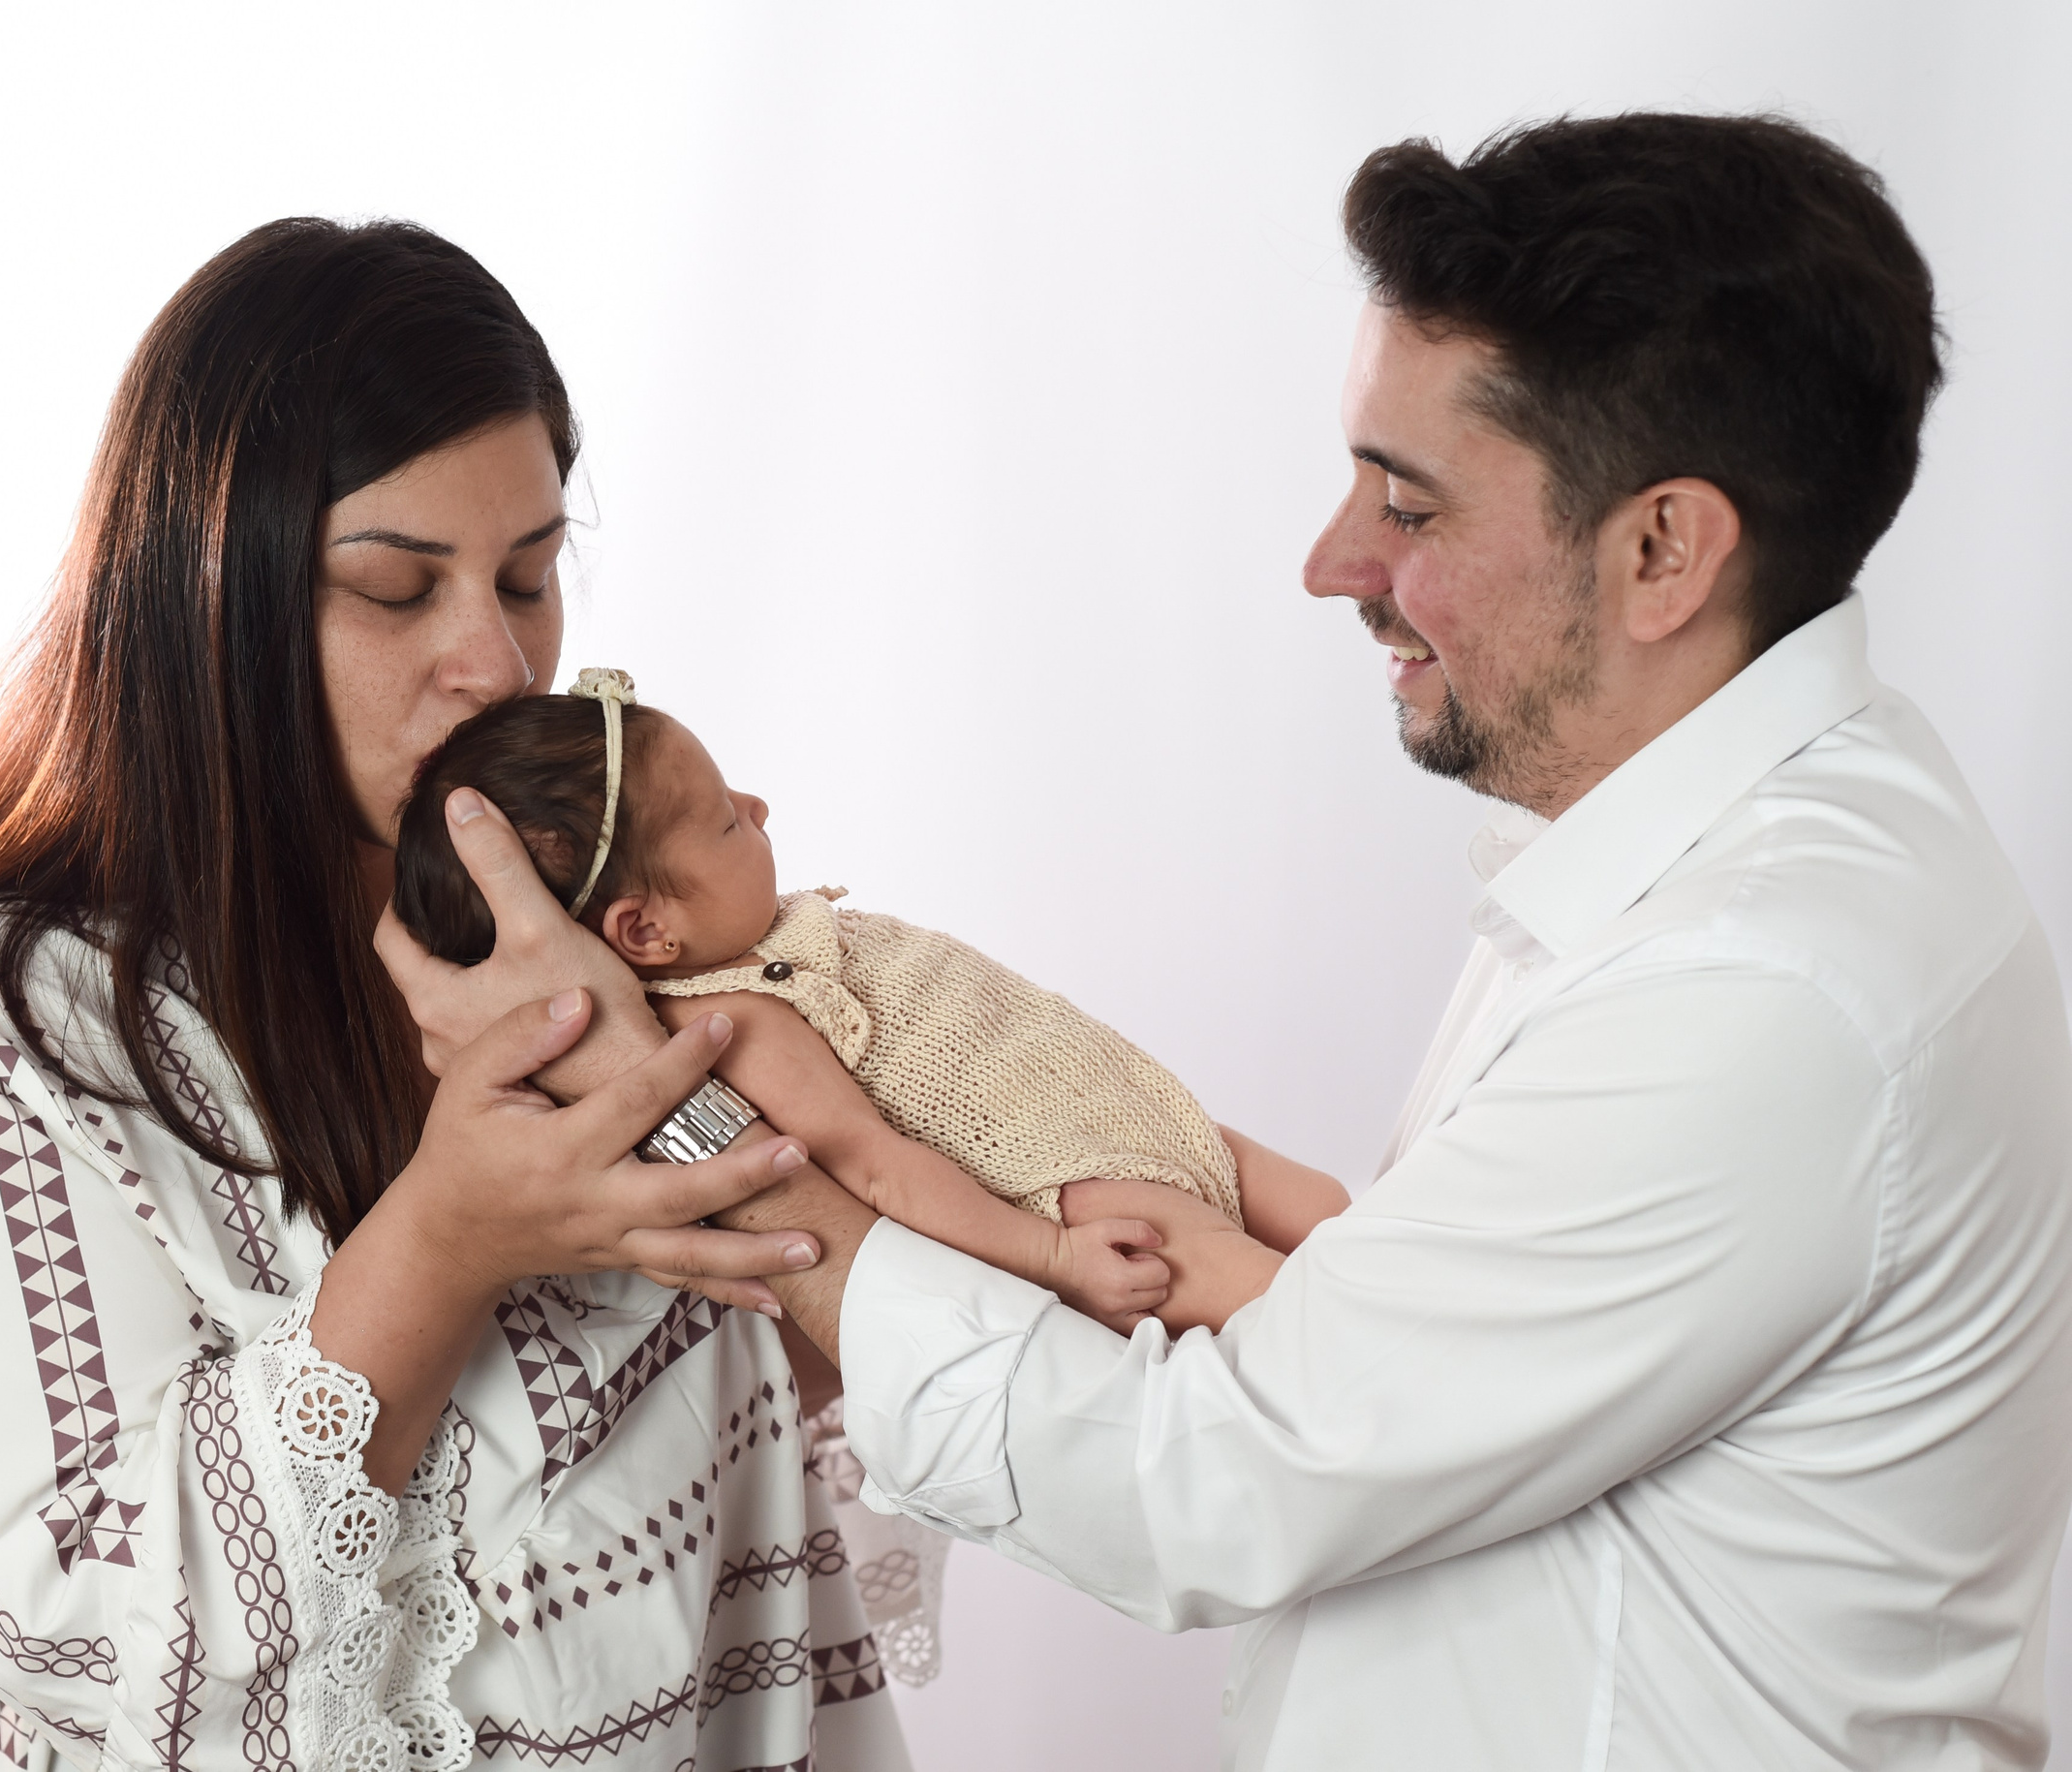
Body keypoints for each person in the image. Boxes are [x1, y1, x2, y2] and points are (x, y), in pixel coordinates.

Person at [386, 114, 2072, 1768]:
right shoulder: (1708, 870)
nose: (1333, 561)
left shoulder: (1762, 987)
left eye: (1408, 505)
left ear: (1660, 549)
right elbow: (1425, 1368)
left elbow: (1211, 1481)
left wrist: (674, 1102)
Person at [0, 219, 910, 1772]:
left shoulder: (583, 961)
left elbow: (775, 1459)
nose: (498, 665)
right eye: (396, 589)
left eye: (531, 576)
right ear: (206, 599)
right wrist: (444, 1240)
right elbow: (59, 1628)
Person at [389, 669, 1351, 1332]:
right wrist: (1054, 1258)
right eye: (726, 817)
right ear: (646, 934)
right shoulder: (739, 1022)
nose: (758, 808)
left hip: (1132, 1107)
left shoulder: (775, 944)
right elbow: (878, 1169)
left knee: (1352, 1228)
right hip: (1077, 1177)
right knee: (1307, 1321)